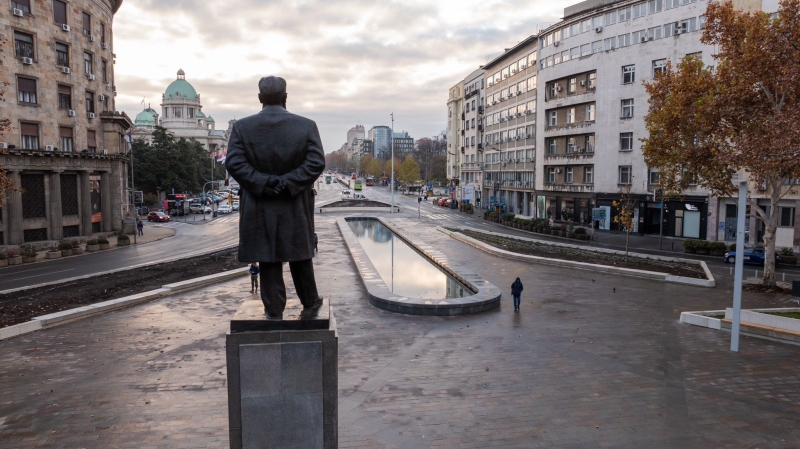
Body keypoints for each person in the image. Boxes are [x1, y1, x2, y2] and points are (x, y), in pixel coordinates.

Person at [225, 76, 325, 318]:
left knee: (268, 256)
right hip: (295, 203)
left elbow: (235, 163)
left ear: (260, 99)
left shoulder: (242, 127)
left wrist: (264, 183)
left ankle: (273, 309)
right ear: (286, 97)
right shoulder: (306, 126)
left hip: (259, 204)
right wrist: (288, 183)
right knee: (300, 254)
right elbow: (316, 163)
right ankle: (310, 301)